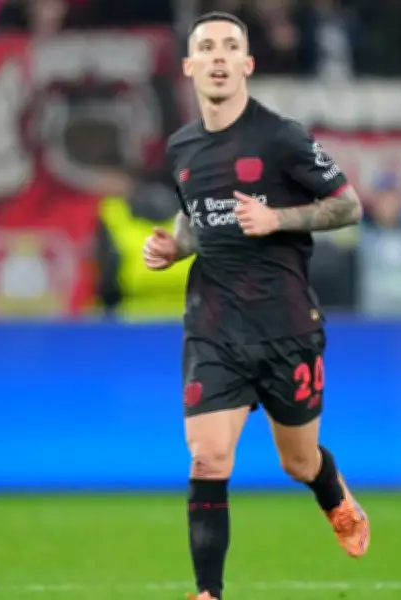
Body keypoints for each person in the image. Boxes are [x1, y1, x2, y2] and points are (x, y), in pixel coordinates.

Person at [142, 12, 368, 600]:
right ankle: (208, 593)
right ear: (189, 66)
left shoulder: (281, 137)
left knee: (298, 462)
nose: (218, 56)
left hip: (285, 326)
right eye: (206, 47)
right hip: (213, 327)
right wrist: (174, 247)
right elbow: (194, 215)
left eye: (230, 47)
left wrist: (278, 218)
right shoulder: (181, 146)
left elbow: (348, 206)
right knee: (208, 459)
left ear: (247, 64)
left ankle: (332, 493)